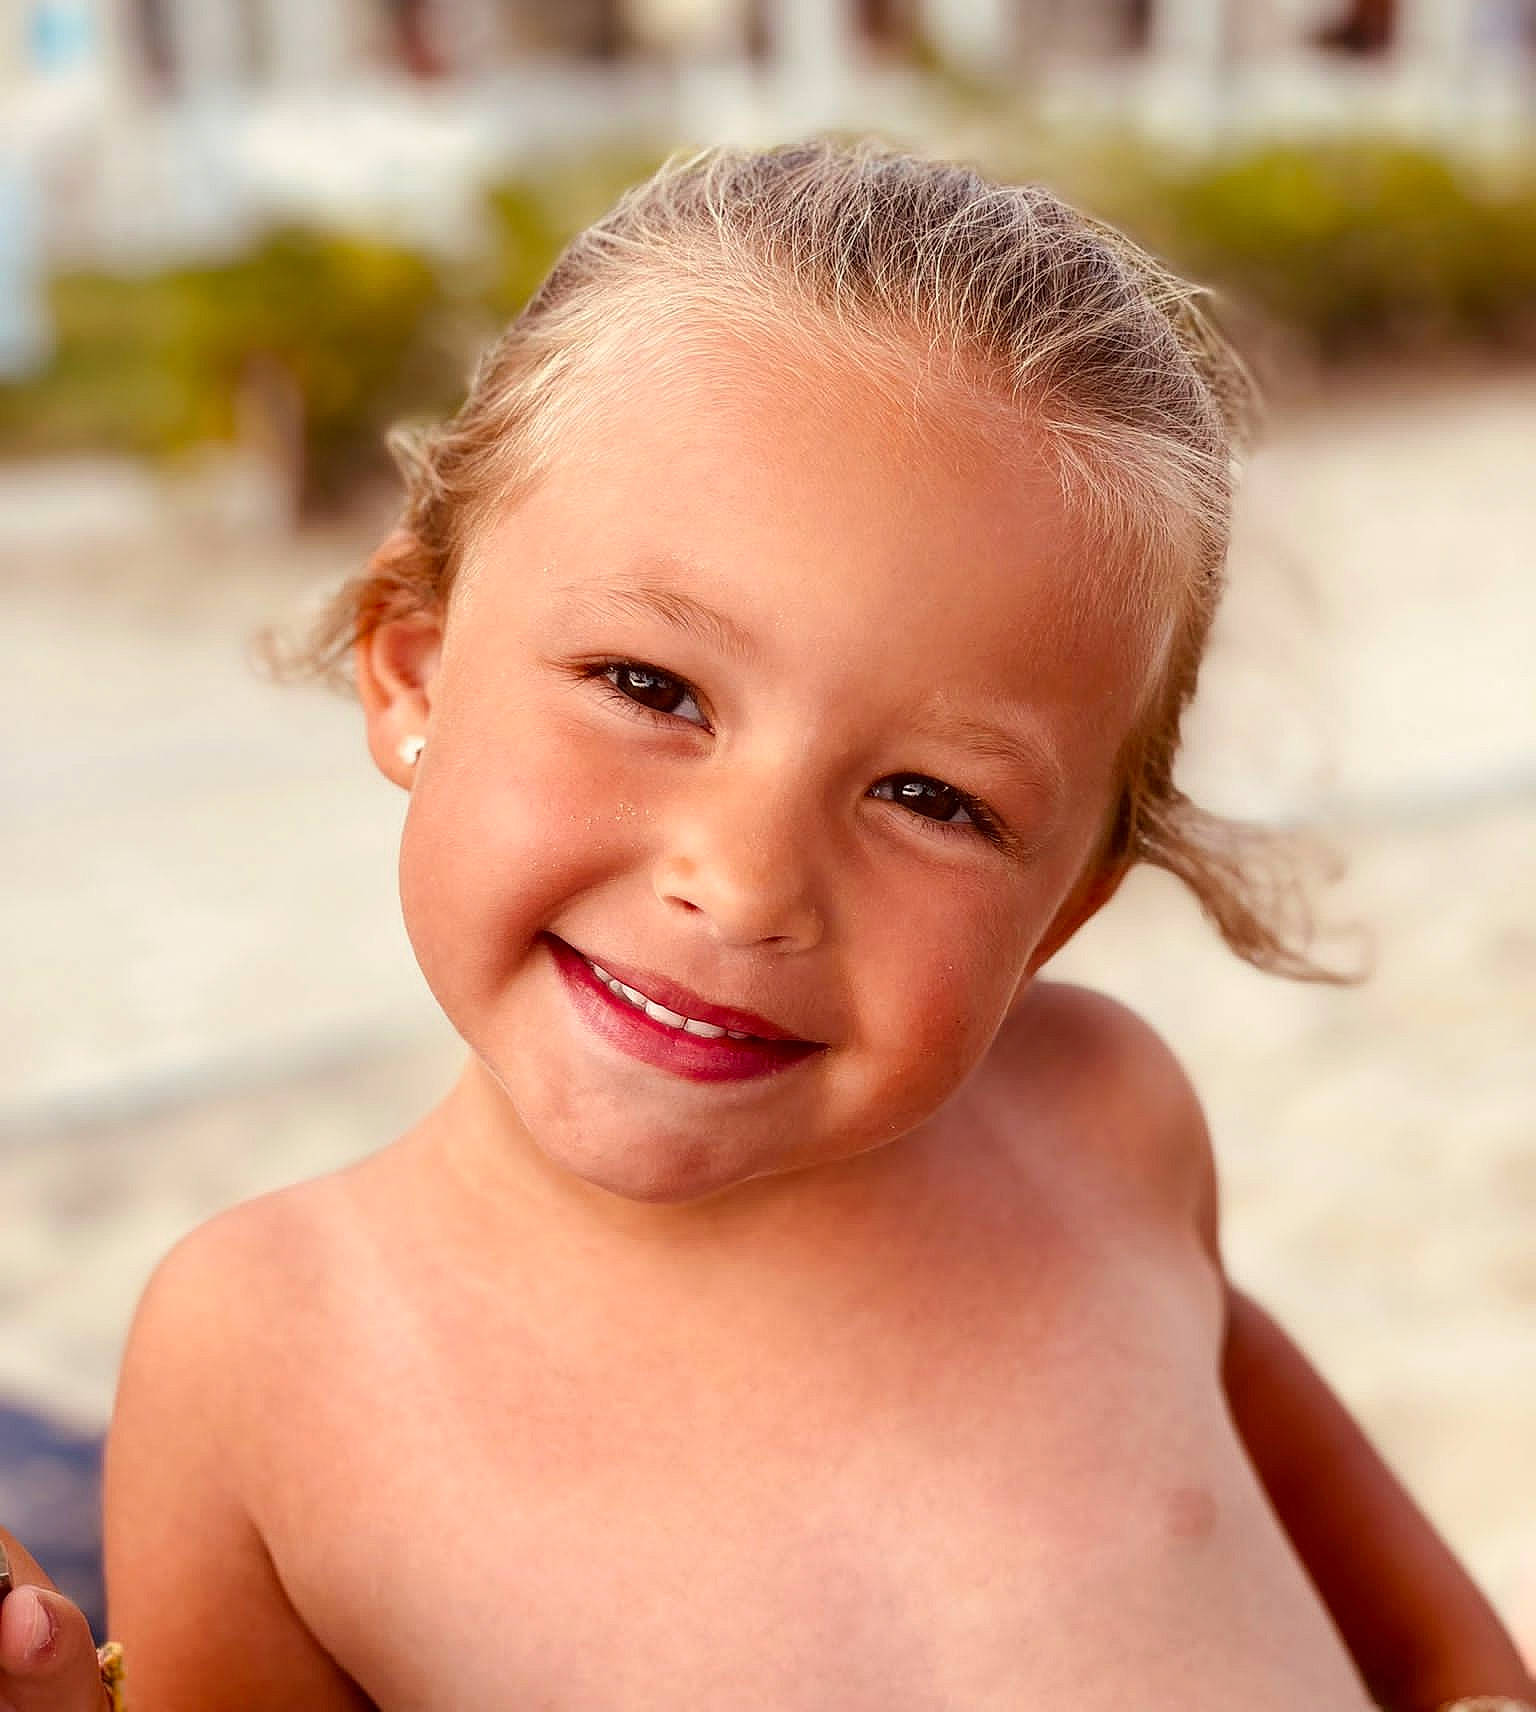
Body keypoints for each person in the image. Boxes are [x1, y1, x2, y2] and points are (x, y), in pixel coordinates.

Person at [2, 144, 1532, 1712]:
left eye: (934, 800)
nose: (743, 885)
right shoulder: (265, 1353)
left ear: (1060, 911)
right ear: (413, 672)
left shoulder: (1102, 1120)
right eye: (651, 690)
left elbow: (1439, 1660)